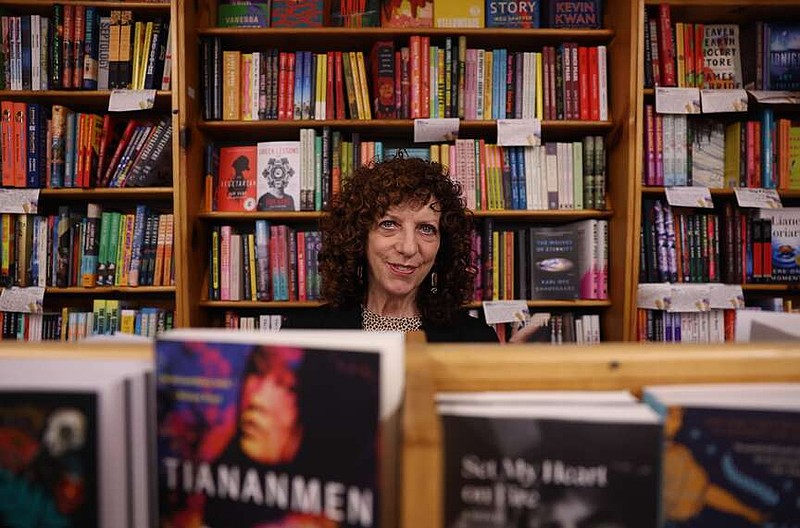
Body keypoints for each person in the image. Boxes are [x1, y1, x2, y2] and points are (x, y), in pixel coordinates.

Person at [284, 155, 498, 342]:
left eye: (426, 228)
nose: (408, 248)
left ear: (443, 246)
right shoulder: (301, 335)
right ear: (359, 237)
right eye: (389, 224)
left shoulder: (476, 338)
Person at [201, 345, 379, 528]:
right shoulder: (218, 478)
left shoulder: (360, 496)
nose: (257, 399)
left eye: (288, 385)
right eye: (256, 370)